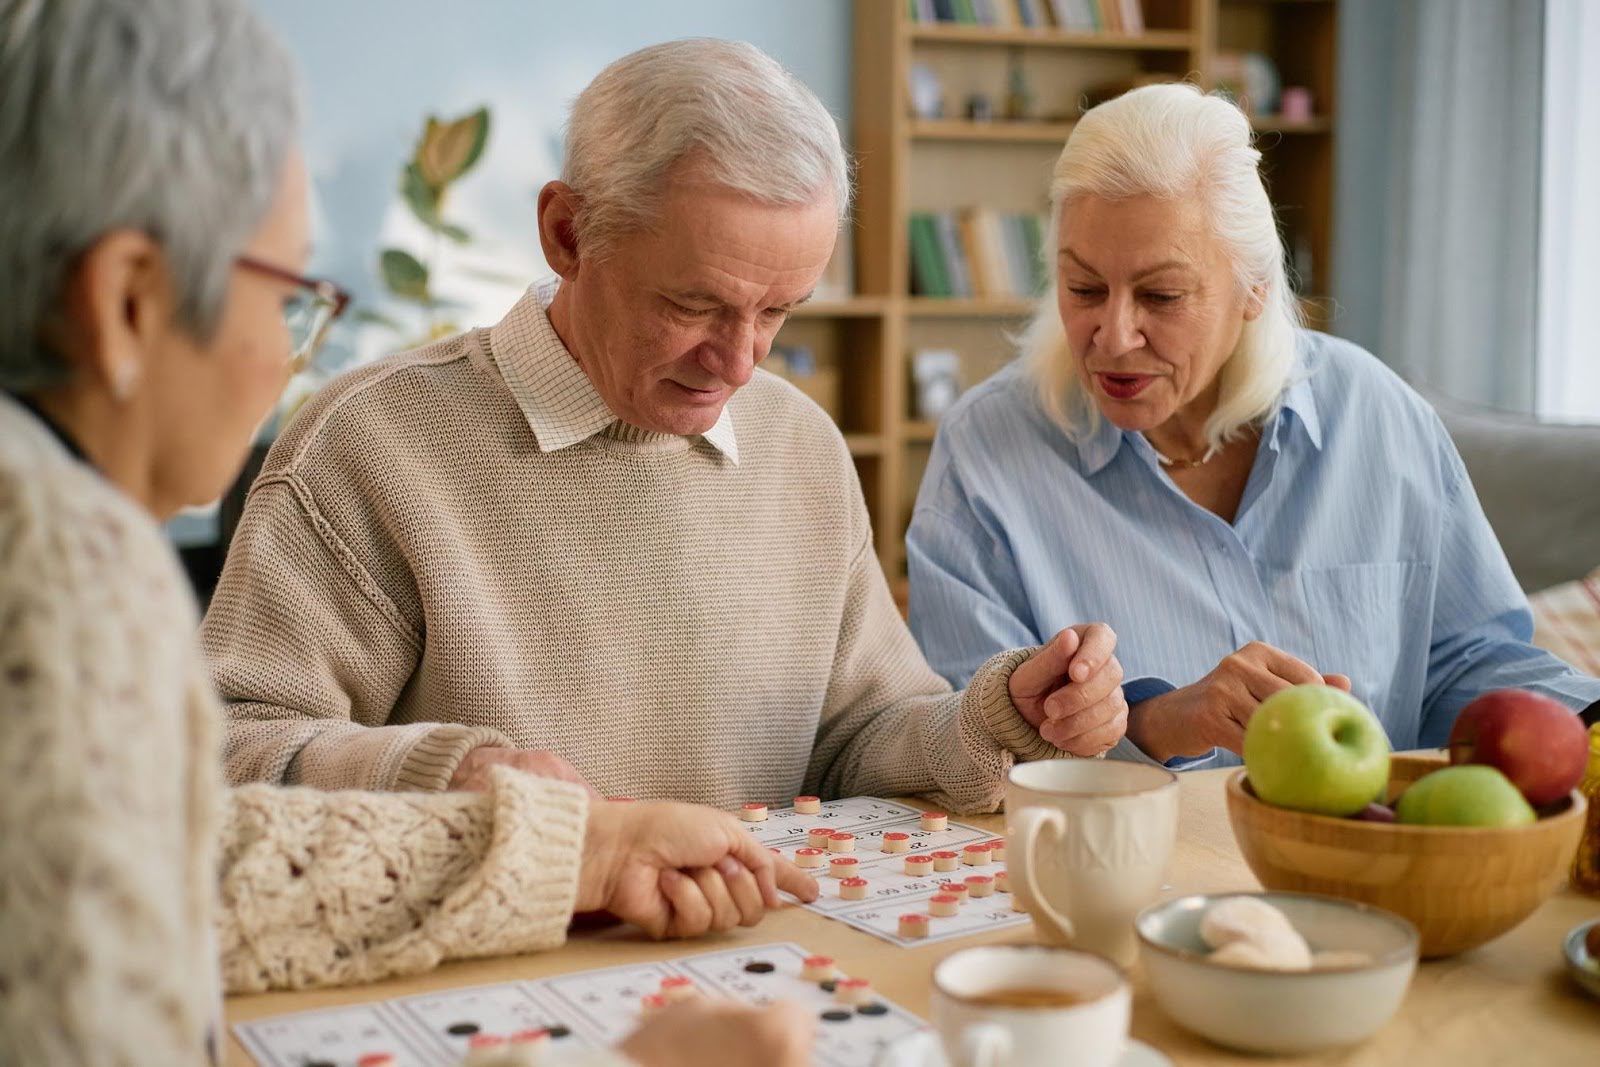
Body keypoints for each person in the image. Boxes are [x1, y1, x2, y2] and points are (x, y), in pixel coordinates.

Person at [0, 2, 816, 1063]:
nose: (292, 355)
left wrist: (585, 850)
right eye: (293, 294)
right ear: (128, 301)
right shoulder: (56, 563)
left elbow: (190, 865)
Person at [200, 38, 1130, 813]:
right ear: (567, 235)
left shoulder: (799, 445)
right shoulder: (370, 445)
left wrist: (998, 714)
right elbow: (225, 755)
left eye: (779, 311)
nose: (739, 362)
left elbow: (857, 737)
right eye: (695, 304)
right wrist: (461, 780)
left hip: (748, 973)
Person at [906, 83, 1600, 771]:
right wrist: (1158, 722)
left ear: (1256, 287)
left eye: (1161, 295)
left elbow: (1469, 661)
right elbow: (971, 744)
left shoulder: (1376, 415)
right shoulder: (986, 452)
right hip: (1130, 874)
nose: (1112, 336)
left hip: (1368, 861)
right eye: (1084, 288)